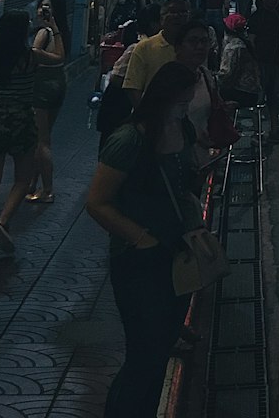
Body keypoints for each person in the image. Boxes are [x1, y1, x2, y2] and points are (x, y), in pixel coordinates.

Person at [85, 62, 199, 418]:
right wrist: (141, 239)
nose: (186, 107)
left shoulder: (182, 129)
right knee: (144, 356)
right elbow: (97, 203)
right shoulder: (129, 139)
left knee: (160, 349)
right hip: (138, 263)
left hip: (178, 256)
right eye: (182, 102)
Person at [0, 9, 64, 252]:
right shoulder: (32, 56)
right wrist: (54, 26)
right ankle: (2, 220)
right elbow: (59, 57)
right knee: (23, 178)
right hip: (23, 118)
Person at [97, 5, 162, 147]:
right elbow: (116, 77)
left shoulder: (153, 46)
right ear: (154, 24)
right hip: (119, 109)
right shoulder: (140, 48)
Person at [28, 0, 70, 203]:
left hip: (42, 84)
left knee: (41, 141)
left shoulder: (44, 32)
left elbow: (38, 53)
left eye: (46, 7)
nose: (41, 11)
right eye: (41, 6)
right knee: (44, 137)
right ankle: (33, 184)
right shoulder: (60, 32)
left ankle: (47, 189)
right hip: (58, 84)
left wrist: (36, 53)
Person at [123, 0, 190, 107]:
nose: (178, 16)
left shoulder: (192, 47)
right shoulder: (144, 47)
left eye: (183, 12)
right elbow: (133, 87)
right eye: (172, 12)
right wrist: (146, 114)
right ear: (161, 19)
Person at [173, 15, 217, 175]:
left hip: (203, 162)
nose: (199, 47)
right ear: (178, 47)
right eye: (193, 41)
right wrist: (194, 134)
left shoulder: (205, 75)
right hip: (176, 165)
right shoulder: (168, 79)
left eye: (204, 41)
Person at [247, 0, 279, 143]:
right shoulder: (257, 17)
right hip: (261, 63)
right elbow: (251, 39)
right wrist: (254, 62)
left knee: (274, 98)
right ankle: (257, 133)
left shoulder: (275, 16)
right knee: (259, 99)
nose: (274, 1)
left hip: (274, 62)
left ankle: (274, 130)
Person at [217, 14, 260, 109]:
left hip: (242, 93)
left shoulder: (233, 47)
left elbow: (227, 75)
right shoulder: (245, 43)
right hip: (253, 92)